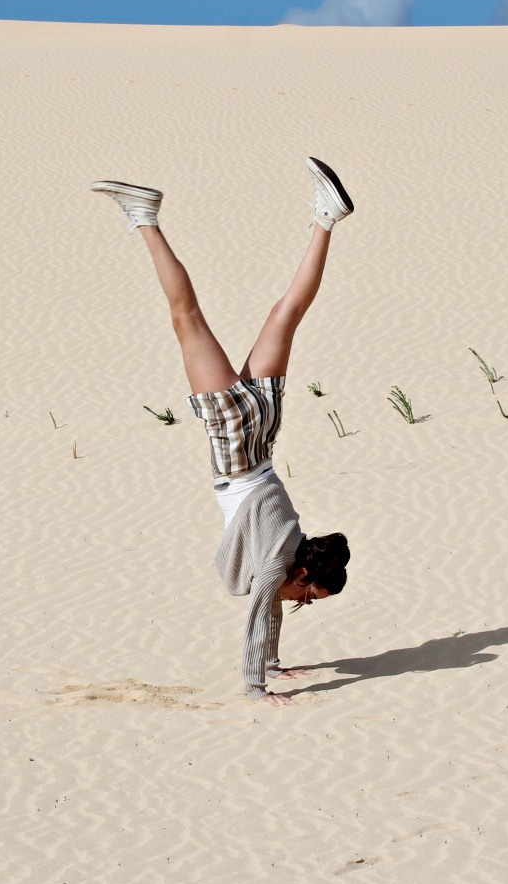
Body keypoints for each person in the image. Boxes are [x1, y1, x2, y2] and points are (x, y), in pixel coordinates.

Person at [94, 160, 355, 706]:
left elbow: (274, 606)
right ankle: (146, 218)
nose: (302, 601)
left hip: (263, 435)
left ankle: (326, 219)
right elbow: (260, 614)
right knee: (186, 317)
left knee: (287, 313)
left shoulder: (288, 545)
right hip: (236, 446)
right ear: (304, 570)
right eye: (309, 593)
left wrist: (279, 661)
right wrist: (257, 687)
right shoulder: (273, 566)